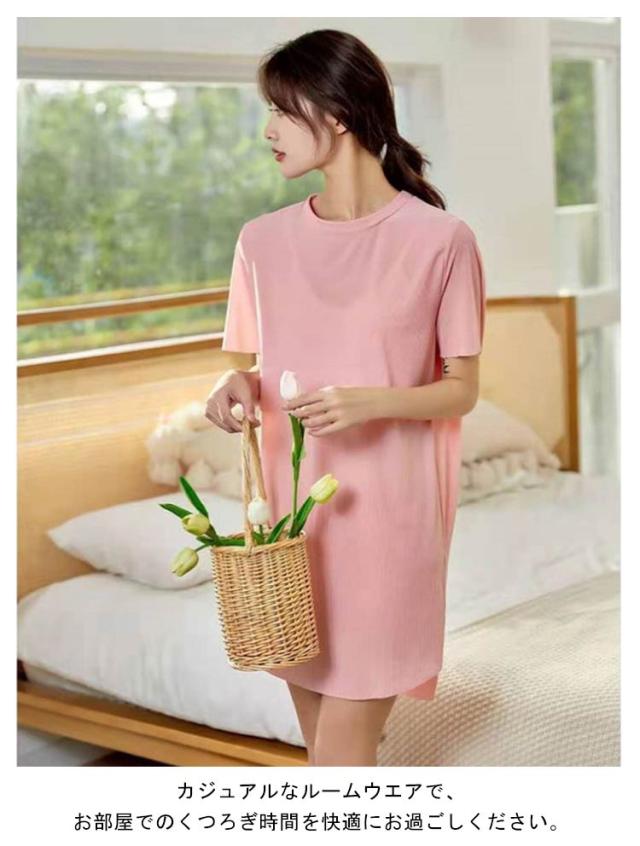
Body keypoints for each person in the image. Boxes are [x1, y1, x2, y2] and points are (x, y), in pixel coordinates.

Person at [205, 28, 486, 767]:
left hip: (388, 519)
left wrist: (373, 401)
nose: (267, 130)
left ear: (334, 113)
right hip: (293, 531)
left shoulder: (441, 240)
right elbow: (262, 367)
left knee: (338, 757)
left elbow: (461, 392)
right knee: (328, 761)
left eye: (280, 110)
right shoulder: (261, 241)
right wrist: (234, 384)